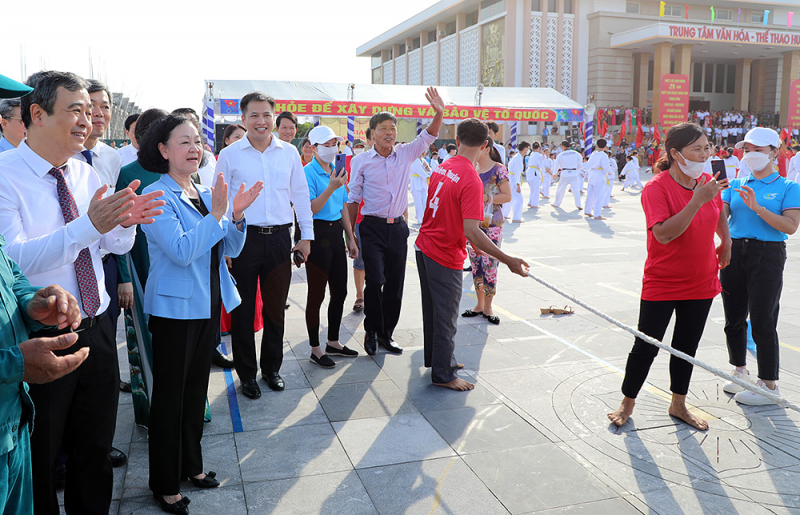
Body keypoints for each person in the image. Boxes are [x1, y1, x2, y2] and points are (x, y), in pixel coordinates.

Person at [0, 70, 164, 515]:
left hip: (98, 328)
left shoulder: (86, 174)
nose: (87, 121)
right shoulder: (5, 176)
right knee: (42, 456)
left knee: (95, 451)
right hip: (41, 337)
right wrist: (89, 225)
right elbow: (13, 259)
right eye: (75, 110)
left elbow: (107, 247)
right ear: (37, 113)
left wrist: (124, 225)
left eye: (90, 113)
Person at [140, 114, 261, 514]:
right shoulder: (158, 197)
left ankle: (192, 466)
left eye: (197, 141)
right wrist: (218, 215)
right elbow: (180, 250)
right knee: (170, 398)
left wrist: (236, 216)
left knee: (195, 394)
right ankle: (163, 482)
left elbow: (230, 249)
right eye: (183, 142)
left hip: (208, 302)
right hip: (175, 309)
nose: (194, 149)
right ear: (163, 150)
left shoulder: (205, 192)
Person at [608, 123, 731, 431]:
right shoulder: (656, 188)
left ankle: (678, 403)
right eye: (697, 149)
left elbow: (718, 212)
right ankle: (627, 402)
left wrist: (726, 241)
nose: (705, 154)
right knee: (646, 345)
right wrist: (697, 200)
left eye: (707, 147)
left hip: (702, 279)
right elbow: (663, 234)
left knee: (686, 346)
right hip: (663, 281)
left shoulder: (707, 182)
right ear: (676, 154)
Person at [415, 118, 528, 391]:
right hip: (443, 254)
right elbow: (473, 229)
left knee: (433, 312)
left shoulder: (444, 166)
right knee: (445, 316)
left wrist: (469, 239)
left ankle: (440, 359)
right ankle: (444, 373)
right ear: (485, 145)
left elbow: (448, 215)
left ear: (456, 142)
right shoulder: (471, 178)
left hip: (425, 246)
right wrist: (508, 259)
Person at [217, 91, 314, 399]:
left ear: (275, 117)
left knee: (275, 308)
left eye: (267, 115)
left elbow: (300, 196)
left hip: (280, 240)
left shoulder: (288, 153)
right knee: (243, 311)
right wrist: (225, 246)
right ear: (243, 120)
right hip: (242, 238)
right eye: (254, 116)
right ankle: (246, 374)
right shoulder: (230, 155)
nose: (261, 121)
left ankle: (271, 368)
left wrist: (306, 237)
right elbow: (218, 203)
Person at [347, 87, 444, 356]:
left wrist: (439, 113)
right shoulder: (362, 161)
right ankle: (371, 330)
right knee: (375, 279)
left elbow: (430, 135)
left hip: (398, 229)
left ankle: (386, 334)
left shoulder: (406, 153)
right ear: (373, 132)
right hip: (371, 227)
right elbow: (354, 197)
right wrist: (350, 235)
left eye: (393, 128)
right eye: (384, 128)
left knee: (395, 283)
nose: (389, 132)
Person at [719, 127, 800, 405]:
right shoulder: (735, 184)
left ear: (774, 152)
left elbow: (790, 227)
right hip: (735, 251)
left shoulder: (789, 187)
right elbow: (722, 216)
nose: (751, 155)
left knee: (763, 319)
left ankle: (769, 384)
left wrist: (758, 208)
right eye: (747, 150)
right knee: (733, 317)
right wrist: (709, 195)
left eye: (758, 150)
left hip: (767, 253)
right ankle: (739, 370)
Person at [302, 126, 359, 368]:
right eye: (326, 144)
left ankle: (333, 341)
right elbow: (311, 209)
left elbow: (343, 206)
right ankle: (315, 348)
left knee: (341, 292)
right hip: (317, 234)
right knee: (317, 294)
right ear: (314, 148)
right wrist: (331, 187)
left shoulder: (336, 170)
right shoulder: (308, 172)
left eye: (334, 143)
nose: (332, 148)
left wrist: (350, 237)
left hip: (336, 234)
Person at [461, 137, 511, 325]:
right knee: (475, 265)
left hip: (492, 224)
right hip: (472, 224)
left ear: (486, 148)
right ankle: (479, 304)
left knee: (490, 265)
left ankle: (488, 306)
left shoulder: (498, 169)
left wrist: (485, 196)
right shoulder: (471, 168)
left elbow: (507, 196)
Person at [584, 139, 612, 220]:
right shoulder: (603, 155)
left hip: (592, 173)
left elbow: (589, 163)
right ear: (606, 146)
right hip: (599, 174)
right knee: (599, 195)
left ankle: (587, 210)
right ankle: (597, 214)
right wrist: (607, 172)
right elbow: (606, 167)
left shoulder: (594, 153)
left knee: (590, 194)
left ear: (597, 145)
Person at [551, 140, 584, 210]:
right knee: (576, 190)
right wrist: (575, 170)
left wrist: (554, 174)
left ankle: (556, 203)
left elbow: (556, 166)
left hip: (565, 172)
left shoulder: (561, 155)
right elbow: (580, 165)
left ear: (562, 146)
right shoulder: (577, 154)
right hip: (574, 173)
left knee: (561, 189)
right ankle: (578, 204)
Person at [506, 141, 529, 223]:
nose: (528, 151)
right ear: (525, 149)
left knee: (510, 198)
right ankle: (516, 217)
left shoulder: (518, 157)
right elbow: (517, 172)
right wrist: (518, 184)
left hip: (512, 178)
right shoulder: (518, 158)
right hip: (514, 179)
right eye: (528, 149)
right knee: (519, 199)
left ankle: (505, 214)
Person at [410, 150, 431, 225]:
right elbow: (421, 172)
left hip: (423, 183)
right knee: (418, 202)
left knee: (424, 201)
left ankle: (425, 218)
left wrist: (427, 167)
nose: (423, 152)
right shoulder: (415, 161)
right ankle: (420, 219)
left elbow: (429, 170)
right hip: (416, 182)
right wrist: (428, 176)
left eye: (424, 151)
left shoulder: (423, 160)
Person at [525, 142, 543, 209]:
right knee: (536, 189)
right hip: (534, 172)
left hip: (529, 171)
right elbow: (543, 159)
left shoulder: (532, 153)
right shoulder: (538, 155)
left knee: (532, 189)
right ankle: (534, 204)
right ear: (539, 148)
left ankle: (530, 202)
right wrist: (543, 153)